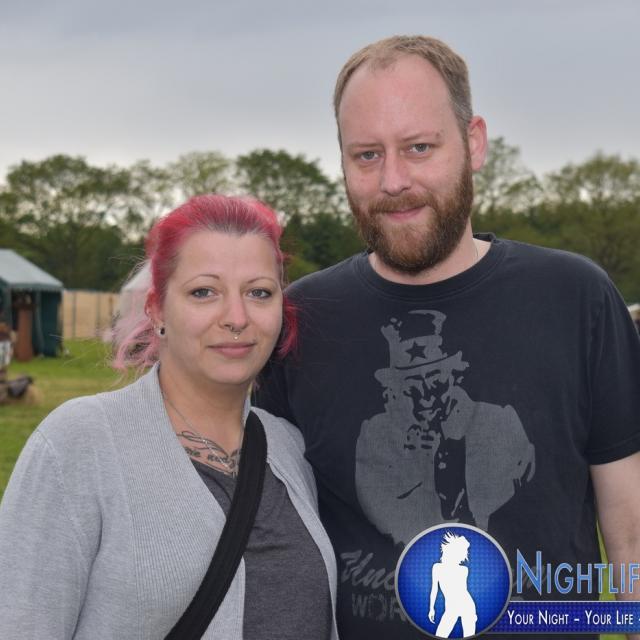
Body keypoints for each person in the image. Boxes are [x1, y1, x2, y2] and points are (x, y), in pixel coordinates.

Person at [254, 35, 640, 639]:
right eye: (367, 155)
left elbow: (630, 530)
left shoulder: (574, 298)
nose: (393, 180)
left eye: (419, 147)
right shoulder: (302, 320)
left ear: (474, 142)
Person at [0, 194, 338, 639]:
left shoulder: (289, 448)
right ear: (157, 309)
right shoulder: (81, 444)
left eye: (259, 292)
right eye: (204, 292)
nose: (236, 317)